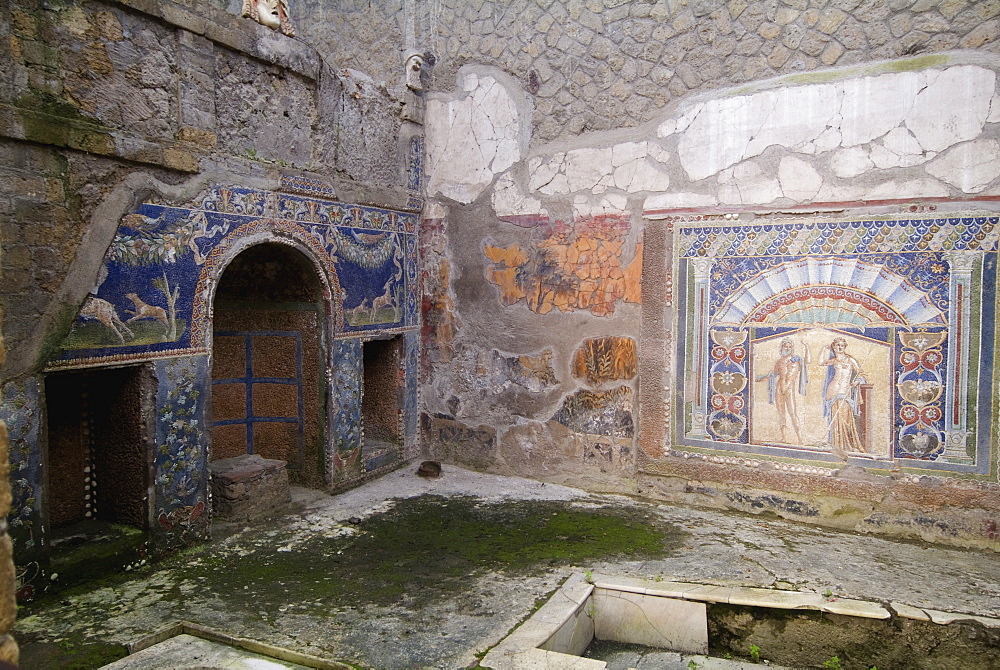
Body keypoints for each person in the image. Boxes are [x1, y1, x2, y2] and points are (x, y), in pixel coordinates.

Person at [817, 337, 866, 457]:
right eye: (837, 345)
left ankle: (848, 444)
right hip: (833, 390)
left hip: (844, 390)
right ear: (833, 347)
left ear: (845, 347)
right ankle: (837, 444)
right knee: (835, 417)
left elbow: (862, 373)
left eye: (842, 345)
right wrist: (823, 349)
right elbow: (820, 362)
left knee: (845, 417)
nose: (839, 347)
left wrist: (857, 381)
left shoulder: (850, 360)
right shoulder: (833, 360)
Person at [756, 338, 809, 444]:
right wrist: (759, 379)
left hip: (789, 388)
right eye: (785, 346)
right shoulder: (779, 362)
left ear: (792, 349)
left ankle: (800, 439)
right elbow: (774, 375)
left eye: (789, 347)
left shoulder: (796, 360)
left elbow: (807, 361)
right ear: (782, 348)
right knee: (781, 414)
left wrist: (806, 347)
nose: (787, 348)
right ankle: (784, 437)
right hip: (779, 388)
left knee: (793, 413)